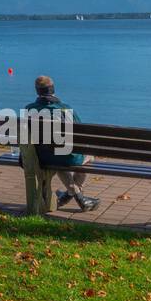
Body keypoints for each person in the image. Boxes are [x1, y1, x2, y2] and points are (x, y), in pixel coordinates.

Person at [25, 75, 99, 212]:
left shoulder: (29, 109)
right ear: (52, 89)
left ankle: (71, 194)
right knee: (88, 157)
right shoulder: (65, 109)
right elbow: (79, 134)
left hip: (40, 157)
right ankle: (76, 195)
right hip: (63, 156)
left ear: (37, 91)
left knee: (56, 156)